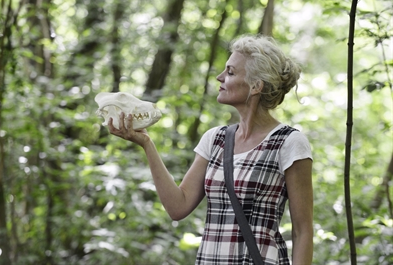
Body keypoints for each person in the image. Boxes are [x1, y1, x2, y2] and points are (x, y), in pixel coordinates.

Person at [108, 34, 313, 265]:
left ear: (256, 86)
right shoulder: (215, 139)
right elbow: (178, 207)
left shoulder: (289, 142)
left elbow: (302, 231)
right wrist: (147, 143)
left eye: (231, 72)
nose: (220, 77)